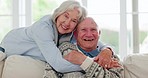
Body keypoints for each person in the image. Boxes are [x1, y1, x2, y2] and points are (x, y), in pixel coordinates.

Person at [0, 0, 87, 73]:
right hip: (7, 48)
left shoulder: (67, 34)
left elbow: (91, 44)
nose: (67, 23)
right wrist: (89, 65)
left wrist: (99, 53)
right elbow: (59, 65)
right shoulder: (43, 28)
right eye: (66, 16)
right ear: (58, 14)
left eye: (74, 21)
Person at [43, 17, 123, 78]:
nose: (89, 34)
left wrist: (84, 61)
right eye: (83, 30)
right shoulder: (64, 50)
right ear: (75, 34)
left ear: (99, 33)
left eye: (93, 30)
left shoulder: (111, 58)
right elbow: (49, 74)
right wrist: (98, 69)